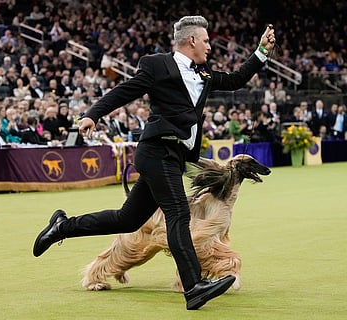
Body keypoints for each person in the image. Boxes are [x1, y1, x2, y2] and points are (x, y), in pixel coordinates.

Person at [33, 16, 276, 310]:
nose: (210, 47)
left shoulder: (205, 74)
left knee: (128, 219)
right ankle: (194, 287)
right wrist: (93, 114)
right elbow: (124, 90)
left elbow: (237, 79)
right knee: (178, 215)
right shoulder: (157, 65)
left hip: (173, 158)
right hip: (156, 151)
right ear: (192, 41)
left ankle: (61, 227)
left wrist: (261, 51)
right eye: (207, 41)